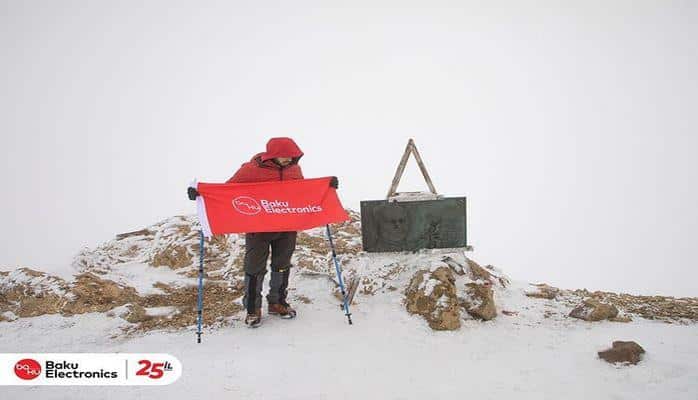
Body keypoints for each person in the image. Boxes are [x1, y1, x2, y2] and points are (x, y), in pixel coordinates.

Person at [188, 137, 338, 328]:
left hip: (286, 226)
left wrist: (326, 186)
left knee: (282, 265)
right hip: (258, 228)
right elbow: (227, 190)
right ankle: (252, 309)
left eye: (292, 156)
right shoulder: (250, 170)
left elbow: (302, 191)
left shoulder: (294, 170)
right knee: (254, 268)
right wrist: (201, 194)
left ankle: (277, 303)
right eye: (285, 156)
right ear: (273, 155)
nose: (289, 159)